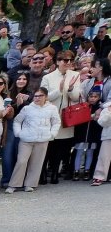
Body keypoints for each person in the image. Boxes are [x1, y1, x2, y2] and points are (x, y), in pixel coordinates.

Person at [7, 87, 61, 192]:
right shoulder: (27, 108)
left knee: (36, 163)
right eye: (35, 96)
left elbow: (56, 122)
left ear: (46, 97)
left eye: (40, 96)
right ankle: (14, 184)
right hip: (26, 139)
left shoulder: (52, 109)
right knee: (21, 161)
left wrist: (52, 134)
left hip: (43, 139)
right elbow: (17, 121)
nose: (37, 98)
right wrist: (18, 133)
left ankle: (30, 184)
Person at [40, 51, 82, 183]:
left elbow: (76, 97)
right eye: (65, 60)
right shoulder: (48, 77)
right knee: (48, 145)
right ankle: (42, 171)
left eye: (70, 60)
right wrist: (59, 90)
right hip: (51, 116)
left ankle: (55, 173)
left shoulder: (75, 75)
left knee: (61, 146)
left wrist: (69, 89)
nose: (68, 63)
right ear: (58, 61)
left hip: (66, 116)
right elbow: (43, 97)